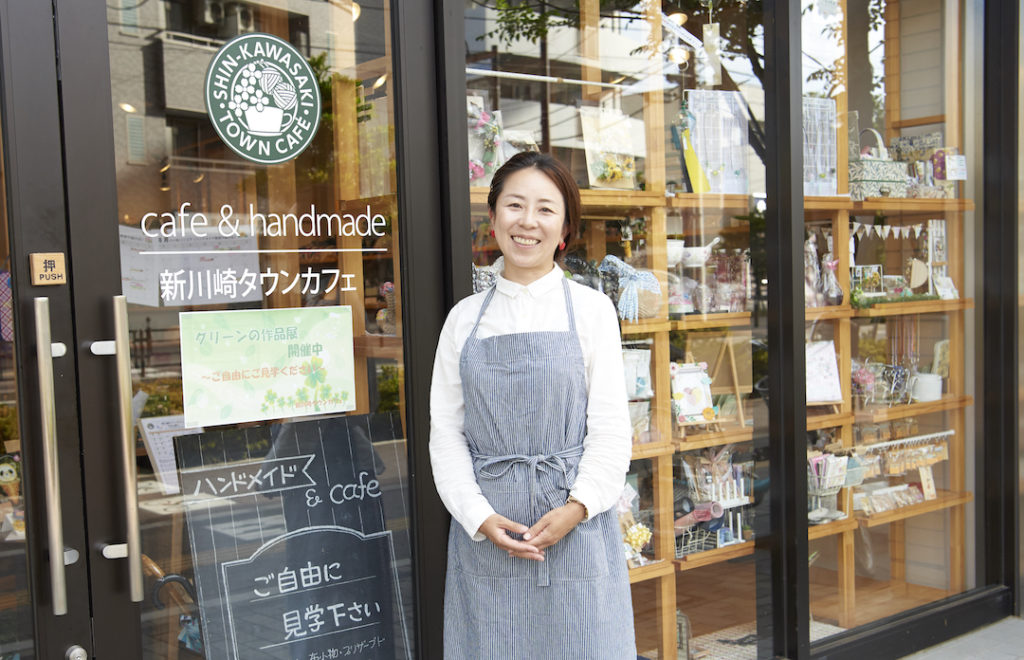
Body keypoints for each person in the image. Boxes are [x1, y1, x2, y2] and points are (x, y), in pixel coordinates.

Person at [430, 152, 636, 658]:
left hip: (575, 531)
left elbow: (610, 428)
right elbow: (446, 432)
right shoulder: (464, 319)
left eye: (546, 209)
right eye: (515, 205)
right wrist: (478, 516)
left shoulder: (592, 311)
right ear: (494, 215)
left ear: (565, 226)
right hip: (488, 533)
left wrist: (577, 507)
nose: (528, 221)